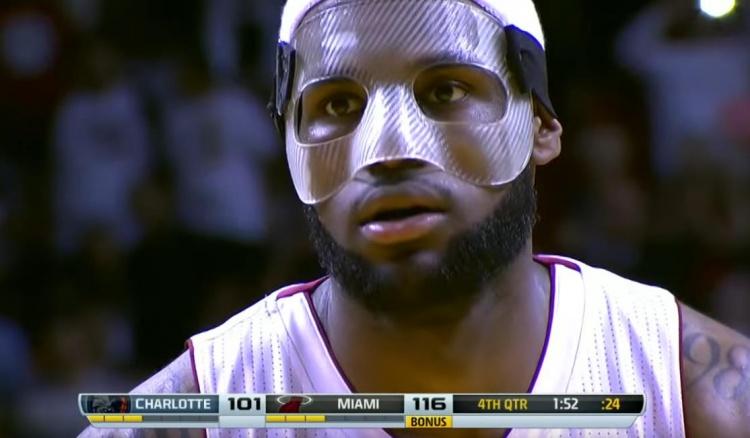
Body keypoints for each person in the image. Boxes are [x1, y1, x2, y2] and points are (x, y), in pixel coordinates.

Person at [81, 0, 750, 437]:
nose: (388, 149)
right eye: (338, 104)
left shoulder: (701, 395)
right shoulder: (203, 410)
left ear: (542, 126)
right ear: (287, 148)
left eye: (445, 90)